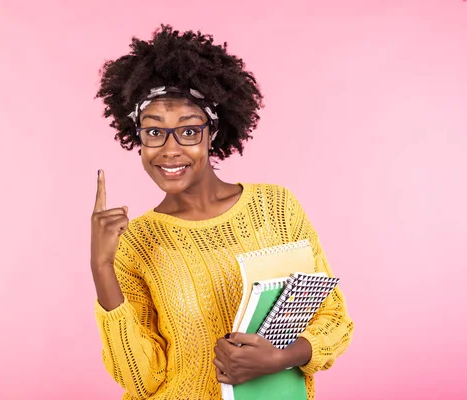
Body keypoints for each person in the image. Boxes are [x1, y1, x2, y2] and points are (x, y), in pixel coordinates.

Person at [90, 25, 353, 400]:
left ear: (212, 132)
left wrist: (280, 358)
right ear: (139, 139)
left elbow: (334, 320)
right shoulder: (134, 243)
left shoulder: (276, 208)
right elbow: (141, 379)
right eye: (153, 132)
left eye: (188, 131)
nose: (169, 149)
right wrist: (101, 270)